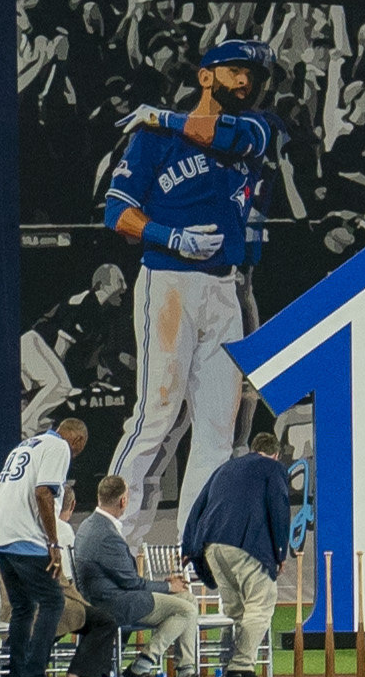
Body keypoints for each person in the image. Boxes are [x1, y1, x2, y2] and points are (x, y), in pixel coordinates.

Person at [103, 36, 277, 555]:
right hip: (169, 280)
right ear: (206, 76)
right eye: (234, 71)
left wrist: (162, 117)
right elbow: (118, 212)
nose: (246, 81)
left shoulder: (255, 129)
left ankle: (193, 550)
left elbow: (223, 137)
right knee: (156, 412)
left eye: (252, 74)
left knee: (218, 431)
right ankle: (111, 537)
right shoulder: (152, 142)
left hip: (225, 286)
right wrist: (167, 235)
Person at [180, 413, 299, 677]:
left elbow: (197, 506)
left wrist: (189, 547)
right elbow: (279, 510)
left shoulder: (225, 468)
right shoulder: (273, 468)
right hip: (247, 545)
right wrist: (281, 553)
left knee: (235, 610)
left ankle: (229, 671)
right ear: (275, 454)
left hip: (212, 547)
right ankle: (241, 667)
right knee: (260, 605)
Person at [0, 407, 80, 677]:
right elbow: (43, 492)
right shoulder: (59, 445)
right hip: (24, 535)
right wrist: (53, 543)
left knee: (23, 608)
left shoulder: (25, 445)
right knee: (52, 602)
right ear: (77, 440)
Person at [64, 475, 192, 677]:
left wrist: (169, 587)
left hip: (105, 598)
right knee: (186, 608)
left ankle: (186, 673)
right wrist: (168, 587)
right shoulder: (105, 534)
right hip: (116, 603)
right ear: (123, 501)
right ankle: (142, 666)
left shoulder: (88, 525)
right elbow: (132, 582)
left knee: (187, 599)